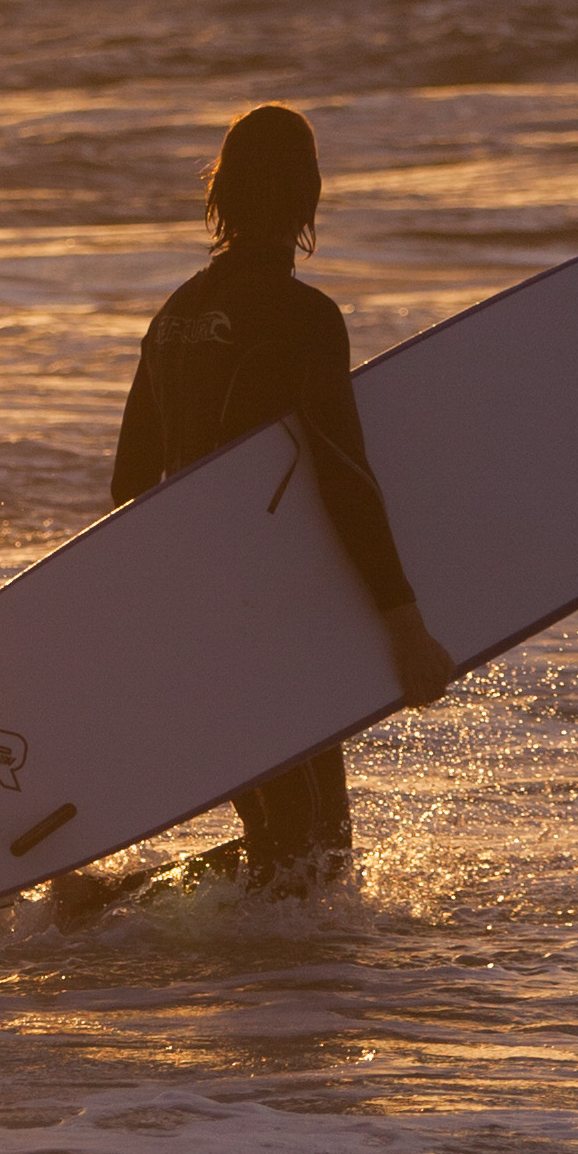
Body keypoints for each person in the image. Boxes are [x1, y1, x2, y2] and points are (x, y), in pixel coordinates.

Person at [108, 105, 457, 889]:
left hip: (198, 615)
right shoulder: (303, 318)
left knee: (280, 842)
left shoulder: (173, 319)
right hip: (269, 616)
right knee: (314, 857)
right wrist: (403, 623)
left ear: (220, 195)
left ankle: (125, 912)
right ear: (309, 196)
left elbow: (130, 491)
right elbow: (341, 470)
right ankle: (150, 931)